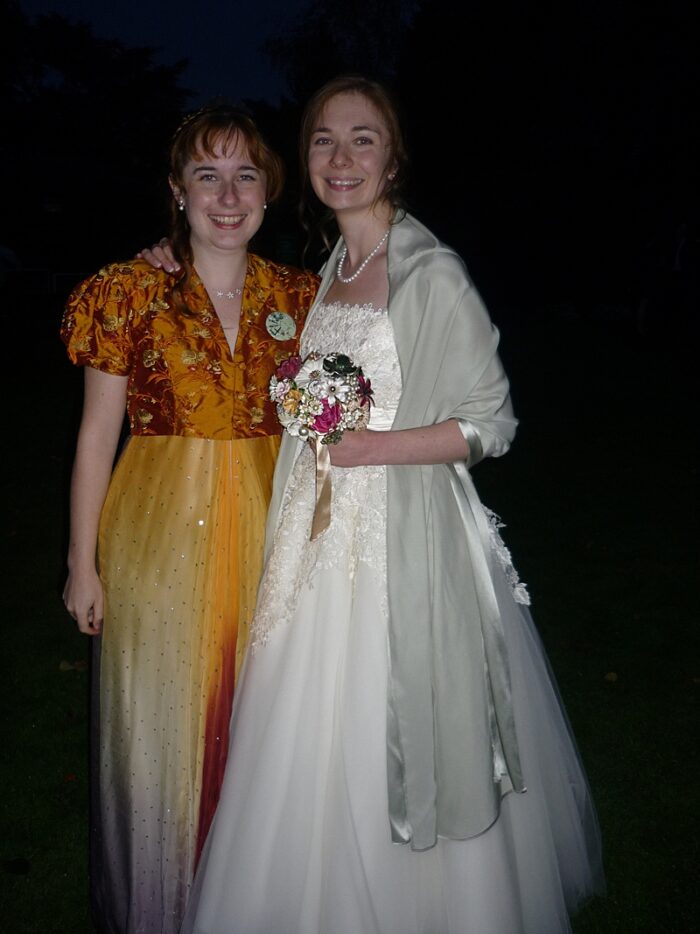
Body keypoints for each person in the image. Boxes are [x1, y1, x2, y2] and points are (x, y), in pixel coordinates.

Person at [163, 77, 603, 934]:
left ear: (394, 157)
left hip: (398, 547)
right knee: (303, 733)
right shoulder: (331, 271)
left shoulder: (430, 272)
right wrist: (165, 251)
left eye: (363, 139)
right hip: (313, 544)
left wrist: (371, 448)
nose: (341, 158)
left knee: (386, 726)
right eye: (324, 140)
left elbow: (493, 423)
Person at [60, 104, 319, 934]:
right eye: (207, 175)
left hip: (273, 534)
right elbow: (97, 434)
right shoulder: (127, 291)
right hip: (156, 536)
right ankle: (167, 907)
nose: (228, 194)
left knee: (262, 720)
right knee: (165, 734)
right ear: (177, 191)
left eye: (246, 174)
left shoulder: (302, 296)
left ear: (270, 192)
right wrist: (81, 563)